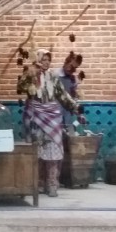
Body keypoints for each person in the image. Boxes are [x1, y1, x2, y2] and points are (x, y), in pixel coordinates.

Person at [17, 49, 82, 197]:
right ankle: (37, 183)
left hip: (52, 118)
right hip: (35, 117)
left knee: (54, 151)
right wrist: (29, 75)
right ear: (38, 59)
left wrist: (76, 108)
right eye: (44, 59)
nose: (46, 62)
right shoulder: (31, 73)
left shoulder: (53, 76)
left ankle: (52, 184)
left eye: (48, 60)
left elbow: (62, 95)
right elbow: (19, 88)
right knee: (37, 152)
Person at [58, 52, 82, 130]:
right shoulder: (54, 75)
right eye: (71, 66)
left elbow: (73, 99)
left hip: (67, 117)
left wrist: (79, 116)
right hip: (55, 117)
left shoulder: (73, 80)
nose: (73, 70)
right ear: (66, 62)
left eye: (75, 68)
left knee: (70, 133)